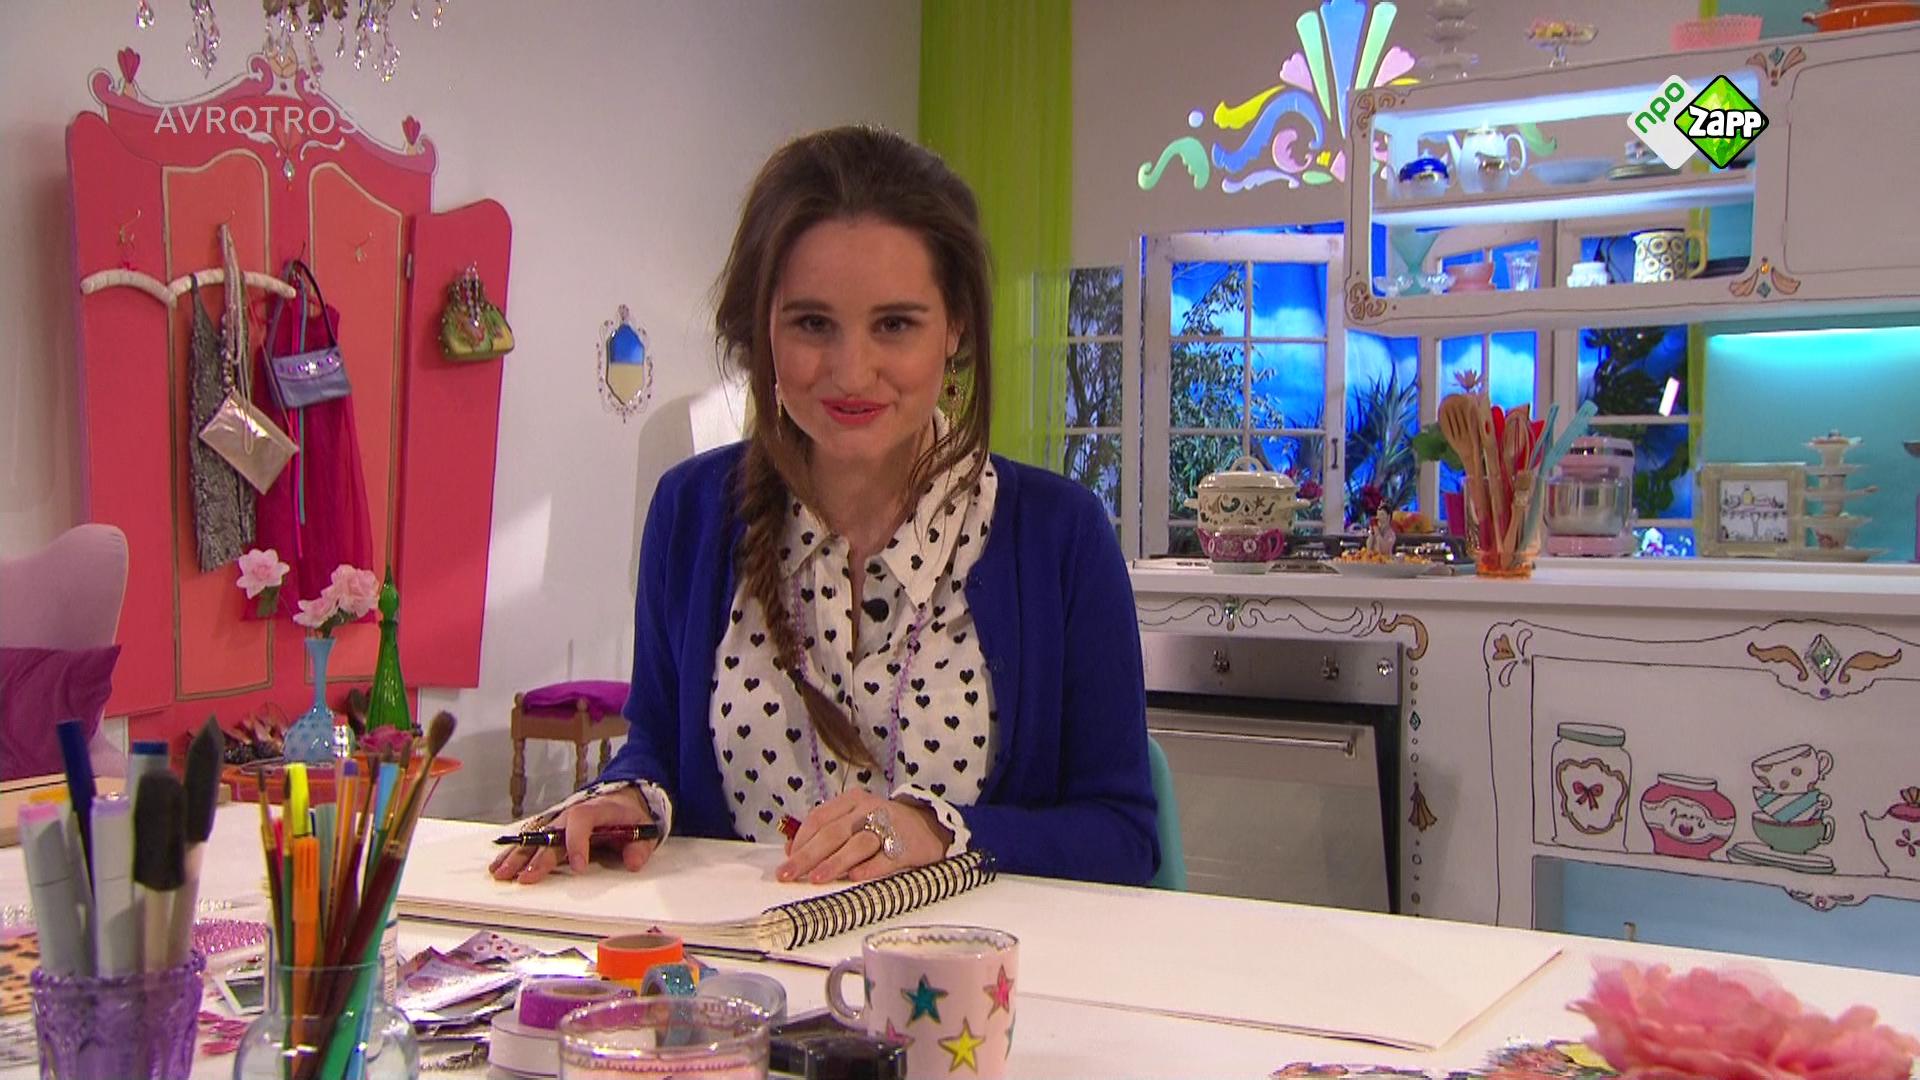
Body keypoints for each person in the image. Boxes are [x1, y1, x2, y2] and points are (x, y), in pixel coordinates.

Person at [491, 126, 1158, 890]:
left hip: (980, 968)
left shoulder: (1060, 536)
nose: (851, 371)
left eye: (895, 324)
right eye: (812, 323)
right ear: (762, 327)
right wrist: (628, 798)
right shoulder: (690, 513)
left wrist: (944, 833)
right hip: (739, 962)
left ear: (955, 328)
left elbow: (1124, 837)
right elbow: (659, 749)